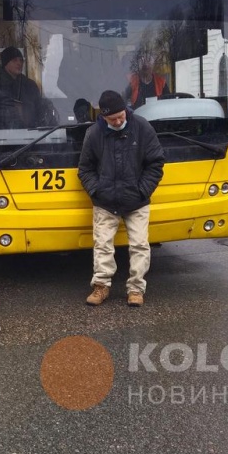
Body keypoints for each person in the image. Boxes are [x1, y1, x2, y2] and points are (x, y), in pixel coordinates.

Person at [78, 90, 165, 307]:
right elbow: (85, 169)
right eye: (112, 119)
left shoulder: (142, 127)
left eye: (121, 116)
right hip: (105, 202)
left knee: (140, 245)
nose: (118, 121)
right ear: (103, 117)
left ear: (125, 111)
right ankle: (100, 286)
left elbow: (155, 163)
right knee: (102, 246)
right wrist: (97, 192)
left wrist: (142, 191)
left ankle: (136, 290)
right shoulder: (93, 133)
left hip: (137, 201)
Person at [0, 47, 56, 129]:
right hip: (4, 139)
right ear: (5, 63)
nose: (19, 63)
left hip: (33, 137)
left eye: (21, 60)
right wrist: (1, 132)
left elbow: (40, 110)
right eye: (14, 60)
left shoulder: (30, 85)